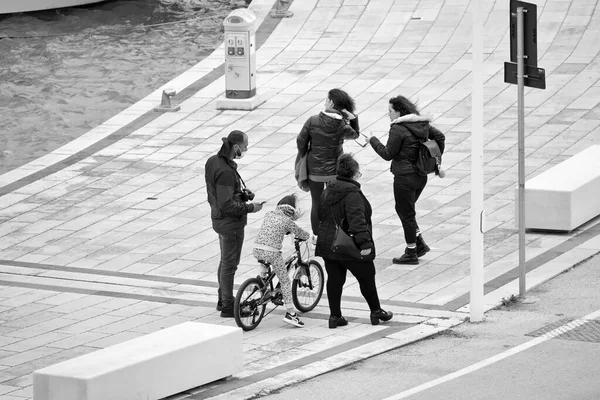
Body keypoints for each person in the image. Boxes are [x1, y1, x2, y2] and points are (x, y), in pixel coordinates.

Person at [315, 153, 393, 328]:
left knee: (334, 279)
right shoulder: (352, 194)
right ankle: (375, 311)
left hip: (329, 245)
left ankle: (335, 317)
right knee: (366, 277)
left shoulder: (327, 190)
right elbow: (357, 221)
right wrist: (365, 244)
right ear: (352, 173)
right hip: (349, 245)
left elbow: (320, 215)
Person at [369, 96, 445, 265]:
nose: (388, 114)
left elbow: (387, 154)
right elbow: (440, 137)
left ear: (399, 111)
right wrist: (434, 159)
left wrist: (372, 141)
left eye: (390, 111)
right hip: (420, 176)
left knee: (406, 213)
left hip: (404, 178)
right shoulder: (422, 124)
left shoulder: (398, 129)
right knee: (405, 211)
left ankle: (411, 251)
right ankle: (419, 244)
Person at [205, 130, 264, 318]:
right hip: (230, 224)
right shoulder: (225, 171)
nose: (246, 150)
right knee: (230, 265)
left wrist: (242, 195)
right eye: (245, 146)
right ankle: (228, 305)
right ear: (236, 147)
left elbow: (221, 194)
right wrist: (250, 208)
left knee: (225, 262)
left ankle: (222, 299)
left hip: (219, 219)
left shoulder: (214, 161)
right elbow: (227, 204)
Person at [296, 88, 360, 244]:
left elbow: (300, 141)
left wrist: (307, 153)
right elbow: (356, 134)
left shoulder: (312, 120)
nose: (324, 102)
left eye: (326, 99)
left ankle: (317, 237)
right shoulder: (343, 125)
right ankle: (334, 234)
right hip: (334, 171)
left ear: (331, 102)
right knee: (334, 203)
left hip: (314, 170)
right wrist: (354, 119)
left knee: (316, 202)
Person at [253, 194, 311, 327]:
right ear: (292, 209)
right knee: (285, 281)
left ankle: (262, 286)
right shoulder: (287, 221)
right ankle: (291, 314)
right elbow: (302, 233)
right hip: (272, 252)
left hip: (257, 249)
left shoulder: (269, 214)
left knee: (265, 263)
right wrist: (308, 236)